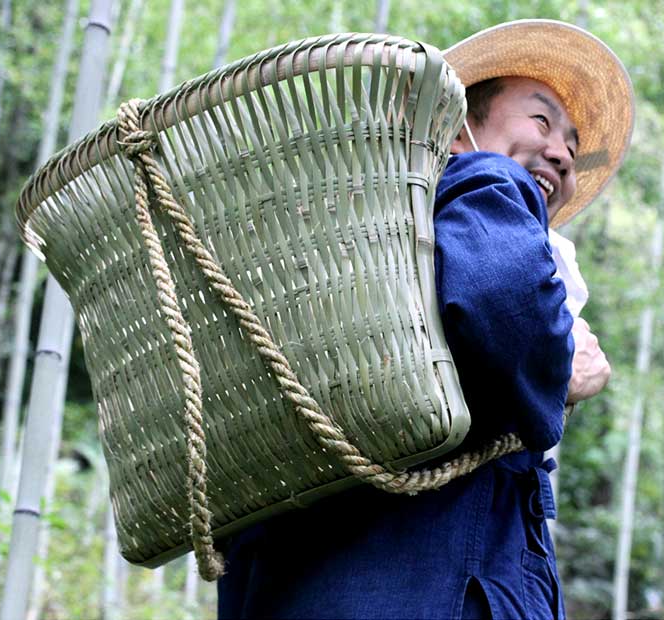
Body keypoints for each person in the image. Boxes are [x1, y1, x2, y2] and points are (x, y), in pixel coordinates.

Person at [217, 19, 633, 620]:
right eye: (540, 121)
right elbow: (500, 292)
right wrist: (563, 367)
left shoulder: (349, 267)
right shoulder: (484, 180)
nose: (563, 153)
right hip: (425, 587)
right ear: (457, 132)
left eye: (571, 142)